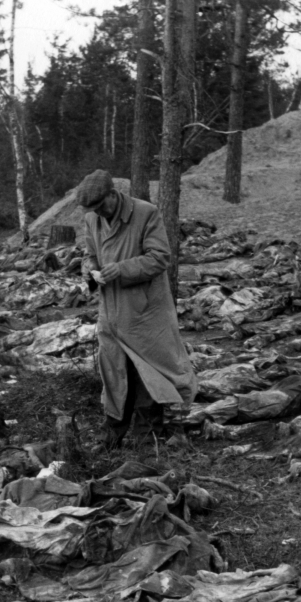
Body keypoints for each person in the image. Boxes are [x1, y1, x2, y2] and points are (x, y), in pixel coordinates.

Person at [77, 169, 196, 450]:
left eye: (101, 205)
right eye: (93, 210)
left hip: (145, 310)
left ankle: (147, 435)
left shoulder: (145, 213)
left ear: (112, 194)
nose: (100, 213)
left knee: (149, 371)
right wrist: (89, 270)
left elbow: (159, 258)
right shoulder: (92, 219)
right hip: (111, 311)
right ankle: (112, 432)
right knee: (115, 371)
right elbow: (90, 255)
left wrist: (120, 269)